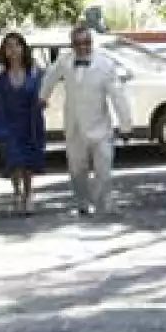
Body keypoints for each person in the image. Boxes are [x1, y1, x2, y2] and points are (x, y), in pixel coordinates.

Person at [39, 24, 133, 217]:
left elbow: (118, 95)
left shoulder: (105, 65)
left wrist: (126, 125)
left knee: (104, 170)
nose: (82, 47)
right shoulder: (65, 61)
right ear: (72, 44)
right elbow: (50, 77)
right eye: (78, 43)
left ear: (92, 42)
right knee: (76, 170)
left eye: (86, 42)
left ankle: (103, 204)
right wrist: (43, 97)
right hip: (74, 126)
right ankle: (82, 202)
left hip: (100, 126)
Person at [0, 31, 47, 216]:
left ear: (23, 48)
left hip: (29, 122)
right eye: (9, 46)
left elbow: (42, 93)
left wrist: (43, 100)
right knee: (15, 159)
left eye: (17, 45)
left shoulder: (34, 70)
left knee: (28, 162)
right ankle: (17, 193)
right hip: (6, 122)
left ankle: (28, 195)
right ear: (4, 50)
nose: (14, 49)